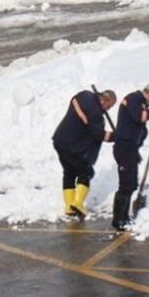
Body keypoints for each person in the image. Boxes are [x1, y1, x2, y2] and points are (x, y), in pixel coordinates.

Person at [52, 88, 116, 219]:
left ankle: (69, 207)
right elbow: (100, 135)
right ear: (103, 101)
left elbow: (75, 101)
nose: (107, 110)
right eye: (108, 107)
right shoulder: (96, 115)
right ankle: (78, 203)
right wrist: (117, 136)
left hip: (59, 140)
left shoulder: (84, 95)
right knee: (86, 172)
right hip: (71, 145)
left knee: (69, 172)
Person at [111, 82, 149, 231]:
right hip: (124, 148)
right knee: (125, 184)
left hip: (131, 148)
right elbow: (140, 117)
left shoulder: (140, 102)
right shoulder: (134, 98)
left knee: (132, 184)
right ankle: (118, 219)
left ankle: (125, 217)